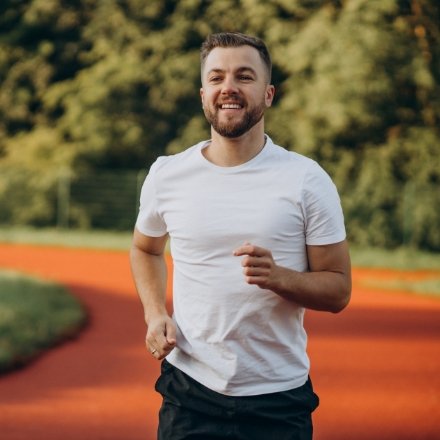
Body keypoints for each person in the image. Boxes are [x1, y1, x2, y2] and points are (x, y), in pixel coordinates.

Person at [130, 32, 351, 440]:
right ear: (203, 94)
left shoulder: (306, 179)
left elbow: (338, 291)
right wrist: (155, 313)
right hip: (189, 393)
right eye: (216, 78)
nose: (228, 87)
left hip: (277, 399)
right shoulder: (167, 174)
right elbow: (145, 248)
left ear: (268, 94)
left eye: (243, 77)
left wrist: (280, 277)